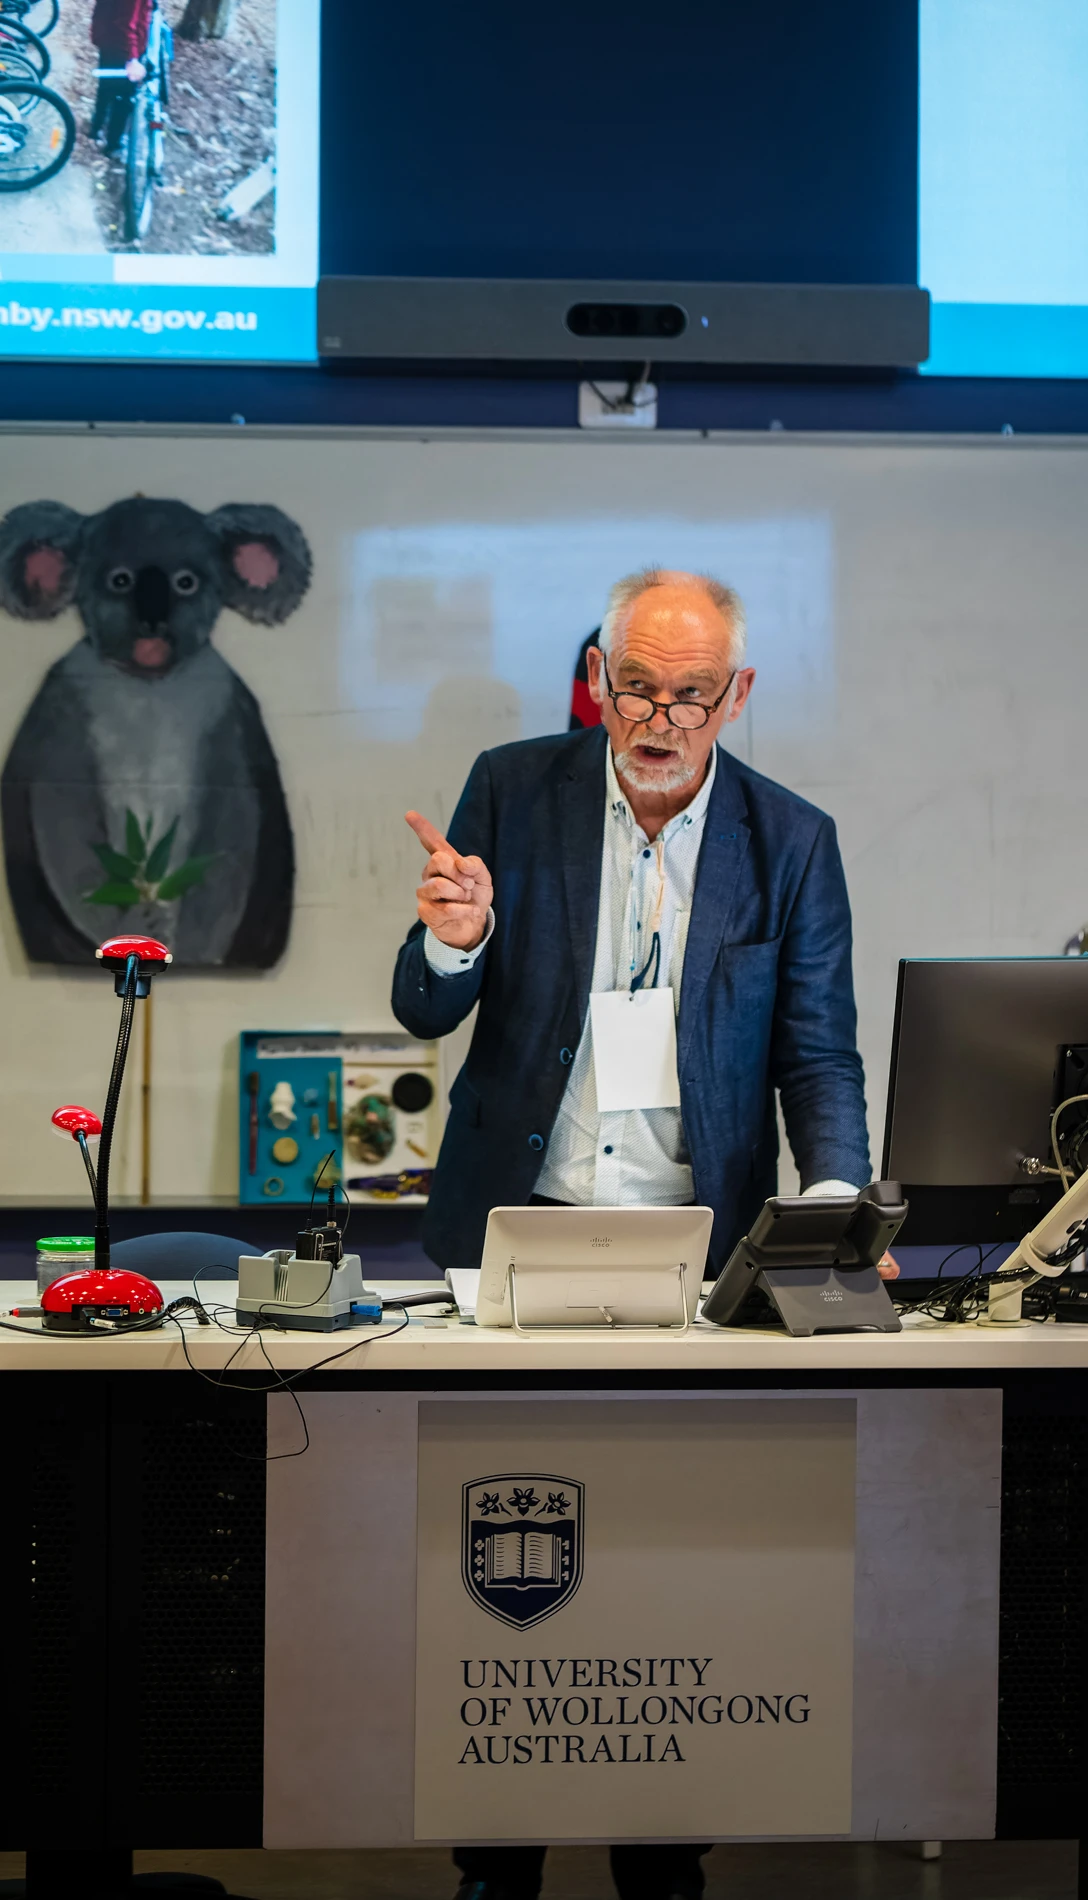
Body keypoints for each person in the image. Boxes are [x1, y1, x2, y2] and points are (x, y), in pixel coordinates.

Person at [392, 568, 895, 1900]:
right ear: (600, 681)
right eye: (633, 686)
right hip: (519, 1235)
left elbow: (820, 1057)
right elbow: (429, 1008)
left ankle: (662, 1845)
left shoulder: (792, 841)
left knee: (670, 1557)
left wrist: (839, 1210)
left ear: (736, 696)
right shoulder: (515, 789)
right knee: (497, 1555)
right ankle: (495, 1853)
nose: (657, 717)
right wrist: (451, 943)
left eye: (687, 694)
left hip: (697, 1258)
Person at [89, 0, 151, 156]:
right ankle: (113, 144)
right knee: (124, 98)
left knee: (106, 86)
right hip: (121, 46)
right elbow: (126, 23)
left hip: (108, 37)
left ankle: (96, 126)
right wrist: (132, 59)